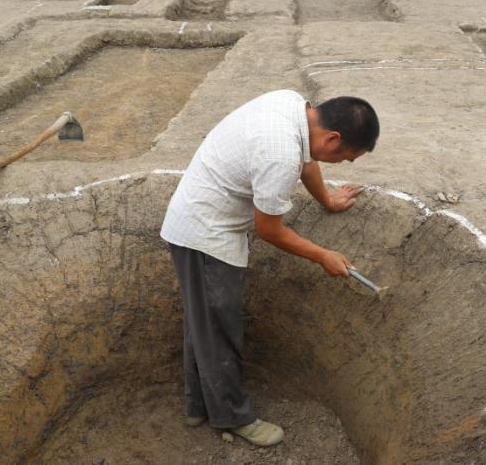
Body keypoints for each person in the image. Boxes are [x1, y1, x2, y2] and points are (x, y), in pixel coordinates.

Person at [160, 89, 380, 447]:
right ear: (332, 138)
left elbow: (308, 160)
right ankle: (232, 416)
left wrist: (326, 199)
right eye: (344, 158)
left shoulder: (294, 108)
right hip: (204, 235)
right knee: (219, 330)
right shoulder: (279, 153)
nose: (341, 165)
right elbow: (269, 230)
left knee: (203, 323)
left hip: (200, 219)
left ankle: (197, 405)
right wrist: (322, 255)